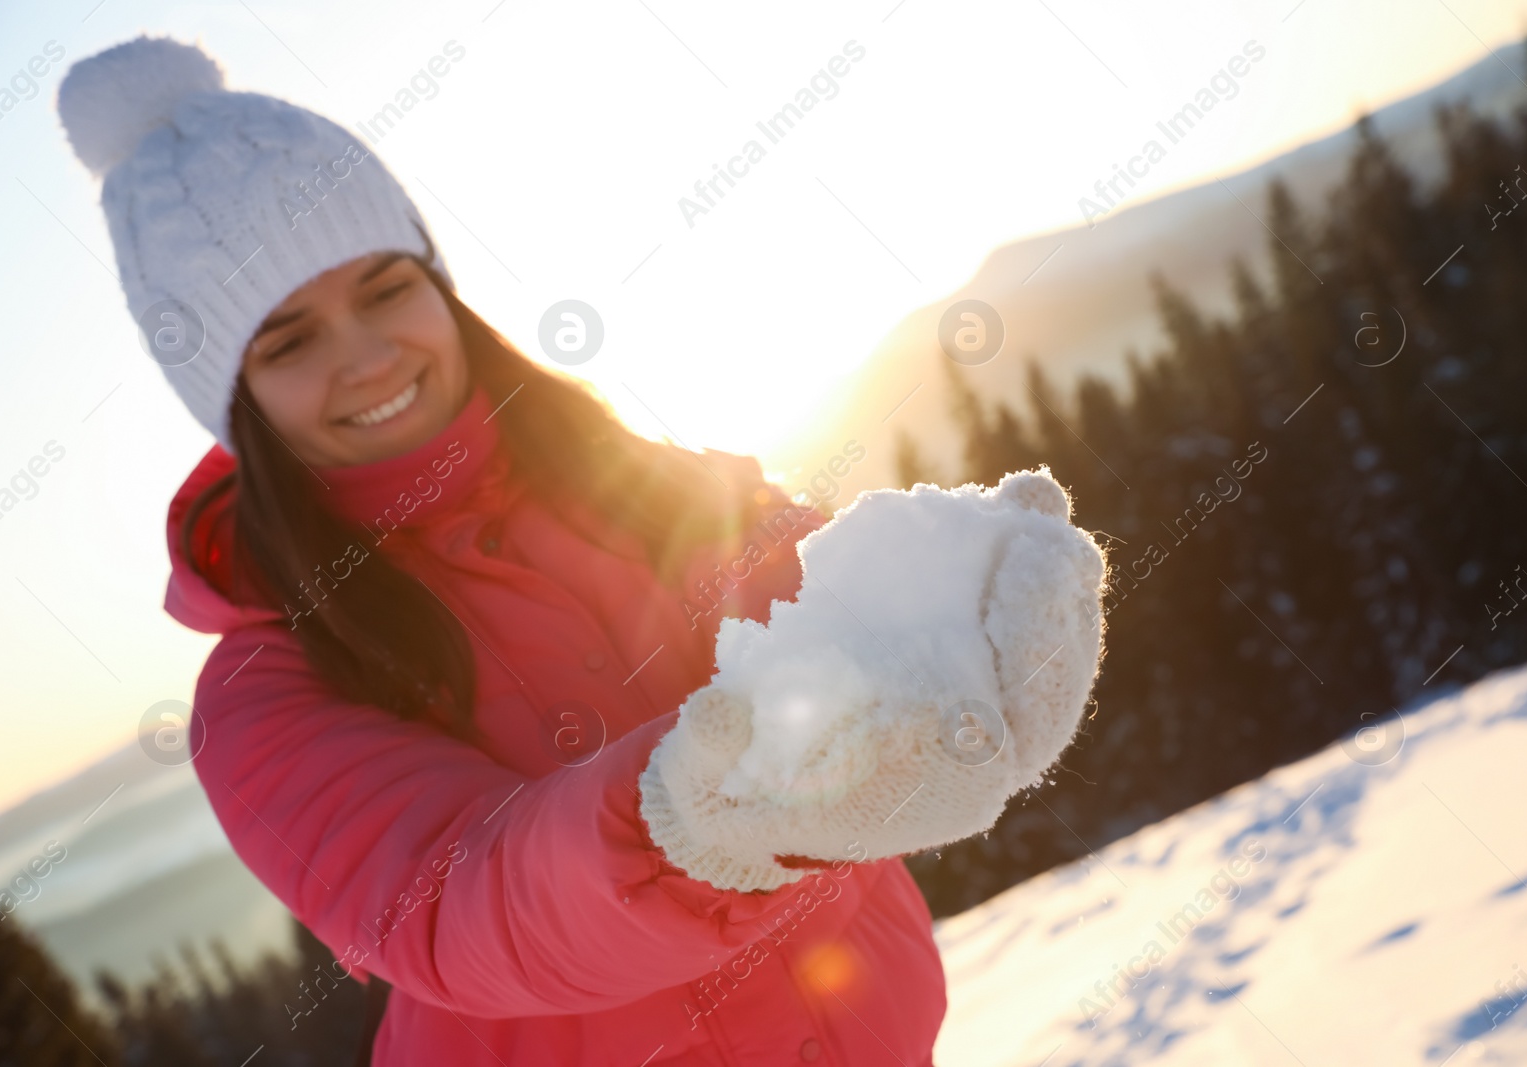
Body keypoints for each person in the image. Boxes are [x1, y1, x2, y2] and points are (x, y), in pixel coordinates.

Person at [58, 35, 952, 1066]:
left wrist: (948, 606)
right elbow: (458, 903)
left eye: (387, 287)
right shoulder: (262, 693)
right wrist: (696, 818)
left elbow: (834, 615)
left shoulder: (649, 483)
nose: (366, 355)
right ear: (231, 398)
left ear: (441, 287)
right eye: (288, 339)